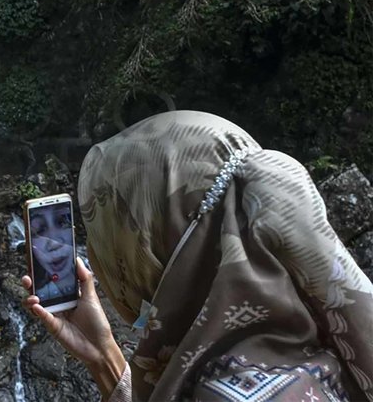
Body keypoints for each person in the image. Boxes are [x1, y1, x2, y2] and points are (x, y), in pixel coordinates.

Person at [21, 111, 373, 402]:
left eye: (102, 230)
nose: (98, 260)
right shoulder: (309, 349)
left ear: (143, 246)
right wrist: (105, 360)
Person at [27, 201, 77, 302]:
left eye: (62, 223)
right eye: (39, 230)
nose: (54, 243)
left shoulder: (100, 273)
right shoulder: (40, 295)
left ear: (74, 231)